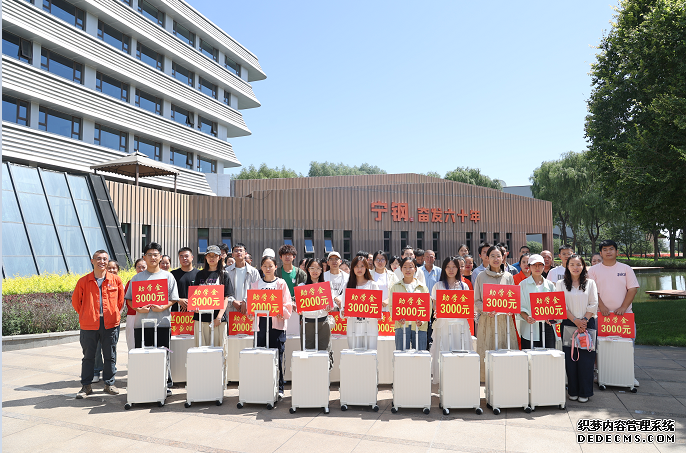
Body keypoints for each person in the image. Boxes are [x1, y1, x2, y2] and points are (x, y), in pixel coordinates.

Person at [125, 242, 180, 392]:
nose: (152, 258)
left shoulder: (168, 276)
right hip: (141, 324)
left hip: (162, 323)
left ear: (160, 257)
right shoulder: (137, 278)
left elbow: (174, 298)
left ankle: (164, 385)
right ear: (144, 257)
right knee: (143, 356)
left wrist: (163, 307)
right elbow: (129, 299)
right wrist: (138, 308)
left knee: (163, 355)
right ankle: (145, 386)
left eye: (155, 255)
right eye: (149, 255)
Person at [72, 250, 125, 398]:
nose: (102, 262)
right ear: (92, 261)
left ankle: (109, 384)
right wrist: (87, 314)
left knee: (110, 355)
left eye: (105, 259)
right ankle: (86, 386)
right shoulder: (83, 281)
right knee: (88, 356)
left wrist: (112, 313)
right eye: (99, 259)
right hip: (89, 324)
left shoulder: (116, 280)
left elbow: (120, 302)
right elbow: (76, 302)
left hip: (110, 324)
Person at [588, 239, 640, 386]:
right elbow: (592, 291)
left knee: (627, 345)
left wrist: (623, 307)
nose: (608, 252)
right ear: (600, 253)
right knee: (599, 345)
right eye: (605, 249)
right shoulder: (593, 270)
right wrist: (602, 306)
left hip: (624, 316)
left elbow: (632, 289)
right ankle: (600, 373)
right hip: (600, 315)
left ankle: (628, 374)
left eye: (611, 249)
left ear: (617, 251)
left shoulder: (626, 268)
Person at [250, 255, 294, 398]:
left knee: (278, 355)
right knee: (261, 355)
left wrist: (282, 312)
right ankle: (262, 386)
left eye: (270, 266)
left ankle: (279, 388)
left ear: (276, 267)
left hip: (276, 324)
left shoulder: (281, 283)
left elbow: (287, 303)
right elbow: (251, 305)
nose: (268, 269)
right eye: (265, 266)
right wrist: (251, 313)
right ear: (261, 268)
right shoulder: (256, 284)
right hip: (261, 324)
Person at [556, 255, 598, 403]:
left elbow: (594, 303)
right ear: (567, 266)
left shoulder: (590, 283)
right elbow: (561, 305)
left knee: (586, 359)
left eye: (578, 264)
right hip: (568, 323)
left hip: (587, 324)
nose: (575, 267)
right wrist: (575, 320)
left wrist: (584, 321)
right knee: (571, 358)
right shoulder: (560, 284)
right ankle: (572, 390)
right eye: (572, 264)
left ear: (583, 266)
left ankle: (585, 392)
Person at [474, 246, 517, 381]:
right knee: (487, 348)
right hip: (487, 319)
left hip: (505, 320)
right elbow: (477, 300)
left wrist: (511, 309)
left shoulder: (508, 276)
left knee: (505, 348)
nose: (496, 259)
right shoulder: (481, 276)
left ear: (503, 258)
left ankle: (506, 379)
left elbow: (513, 299)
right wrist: (486, 310)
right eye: (492, 256)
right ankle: (486, 378)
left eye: (498, 256)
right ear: (487, 258)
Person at [429, 256, 471, 384]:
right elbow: (435, 306)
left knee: (459, 348)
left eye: (454, 267)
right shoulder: (438, 286)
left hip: (460, 324)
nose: (451, 270)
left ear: (458, 269)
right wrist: (436, 312)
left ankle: (459, 380)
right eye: (448, 267)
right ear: (444, 269)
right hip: (443, 324)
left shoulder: (463, 286)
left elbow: (467, 306)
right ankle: (444, 380)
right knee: (443, 348)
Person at [192, 245, 233, 356]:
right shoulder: (199, 274)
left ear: (219, 257)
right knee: (201, 351)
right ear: (205, 257)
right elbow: (195, 295)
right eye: (209, 255)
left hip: (218, 320)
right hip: (201, 318)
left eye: (214, 255)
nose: (211, 258)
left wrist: (219, 317)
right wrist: (195, 307)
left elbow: (226, 298)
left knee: (220, 352)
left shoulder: (224, 275)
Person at [297, 258, 333, 367]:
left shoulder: (326, 286)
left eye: (318, 268)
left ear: (322, 270)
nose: (315, 271)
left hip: (323, 322)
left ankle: (324, 375)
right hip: (307, 323)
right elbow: (299, 308)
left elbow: (331, 304)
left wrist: (329, 307)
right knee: (307, 353)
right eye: (312, 268)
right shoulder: (302, 286)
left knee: (324, 352)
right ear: (308, 269)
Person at [389, 257, 429, 350]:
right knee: (401, 354)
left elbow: (427, 306)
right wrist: (397, 318)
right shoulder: (395, 287)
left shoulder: (422, 287)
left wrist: (422, 321)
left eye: (410, 267)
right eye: (405, 267)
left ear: (415, 269)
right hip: (401, 325)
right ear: (401, 269)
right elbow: (391, 305)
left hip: (419, 326)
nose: (407, 270)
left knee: (419, 355)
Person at [342, 256, 381, 349]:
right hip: (353, 328)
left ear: (366, 267)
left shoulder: (373, 285)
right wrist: (343, 312)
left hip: (370, 328)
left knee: (370, 355)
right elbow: (343, 307)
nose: (359, 269)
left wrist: (378, 314)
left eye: (362, 266)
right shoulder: (348, 285)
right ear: (352, 268)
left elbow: (378, 309)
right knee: (354, 355)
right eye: (356, 266)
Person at [519, 254, 557, 349]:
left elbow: (556, 305)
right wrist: (527, 317)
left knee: (548, 354)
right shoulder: (523, 285)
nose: (537, 267)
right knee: (530, 355)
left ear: (544, 266)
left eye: (540, 265)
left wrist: (551, 318)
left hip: (547, 326)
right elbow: (520, 306)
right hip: (529, 326)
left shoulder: (550, 285)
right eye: (534, 265)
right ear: (529, 267)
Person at [92, 259, 121, 383]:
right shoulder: (97, 281)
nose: (112, 270)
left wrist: (114, 314)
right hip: (96, 320)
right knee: (96, 347)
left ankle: (110, 371)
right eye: (109, 268)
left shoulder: (119, 283)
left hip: (113, 321)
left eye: (114, 268)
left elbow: (121, 302)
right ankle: (96, 370)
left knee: (111, 348)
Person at [225, 242, 260, 314]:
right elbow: (224, 290)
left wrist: (246, 301)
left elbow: (257, 290)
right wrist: (232, 301)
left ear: (245, 253)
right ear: (232, 254)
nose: (238, 252)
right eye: (236, 251)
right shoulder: (226, 271)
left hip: (249, 310)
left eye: (241, 250)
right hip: (231, 310)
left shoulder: (254, 272)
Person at [124, 258, 146, 351]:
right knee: (132, 342)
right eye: (138, 267)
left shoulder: (152, 282)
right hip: (133, 315)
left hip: (149, 314)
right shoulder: (130, 282)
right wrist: (138, 309)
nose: (141, 269)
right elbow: (127, 300)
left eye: (143, 267)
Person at [170, 247, 199, 313]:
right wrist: (178, 300)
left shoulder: (199, 274)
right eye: (181, 256)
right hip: (176, 312)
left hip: (194, 312)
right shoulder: (172, 274)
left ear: (192, 257)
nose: (184, 258)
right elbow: (168, 292)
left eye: (186, 256)